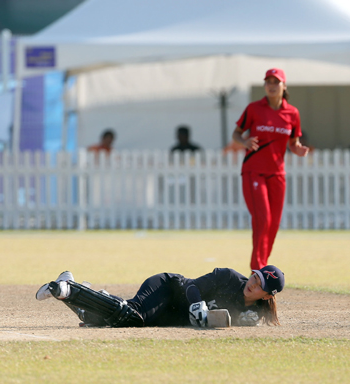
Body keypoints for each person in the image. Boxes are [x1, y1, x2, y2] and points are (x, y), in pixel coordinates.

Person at [232, 68, 309, 271]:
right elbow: (237, 133)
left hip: (277, 174)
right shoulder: (254, 109)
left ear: (284, 86)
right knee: (262, 219)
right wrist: (244, 141)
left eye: (276, 82)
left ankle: (262, 269)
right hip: (253, 171)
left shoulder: (292, 113)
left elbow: (294, 142)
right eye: (268, 82)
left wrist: (297, 149)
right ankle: (257, 270)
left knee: (273, 224)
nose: (272, 85)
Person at [35, 265, 285, 328]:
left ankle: (69, 287)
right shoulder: (229, 277)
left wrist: (241, 321)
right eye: (255, 276)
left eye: (260, 284)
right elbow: (191, 286)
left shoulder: (256, 311)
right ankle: (73, 289)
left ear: (267, 295)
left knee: (99, 319)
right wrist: (198, 305)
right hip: (167, 289)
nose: (253, 283)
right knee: (131, 317)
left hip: (171, 313)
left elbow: (224, 321)